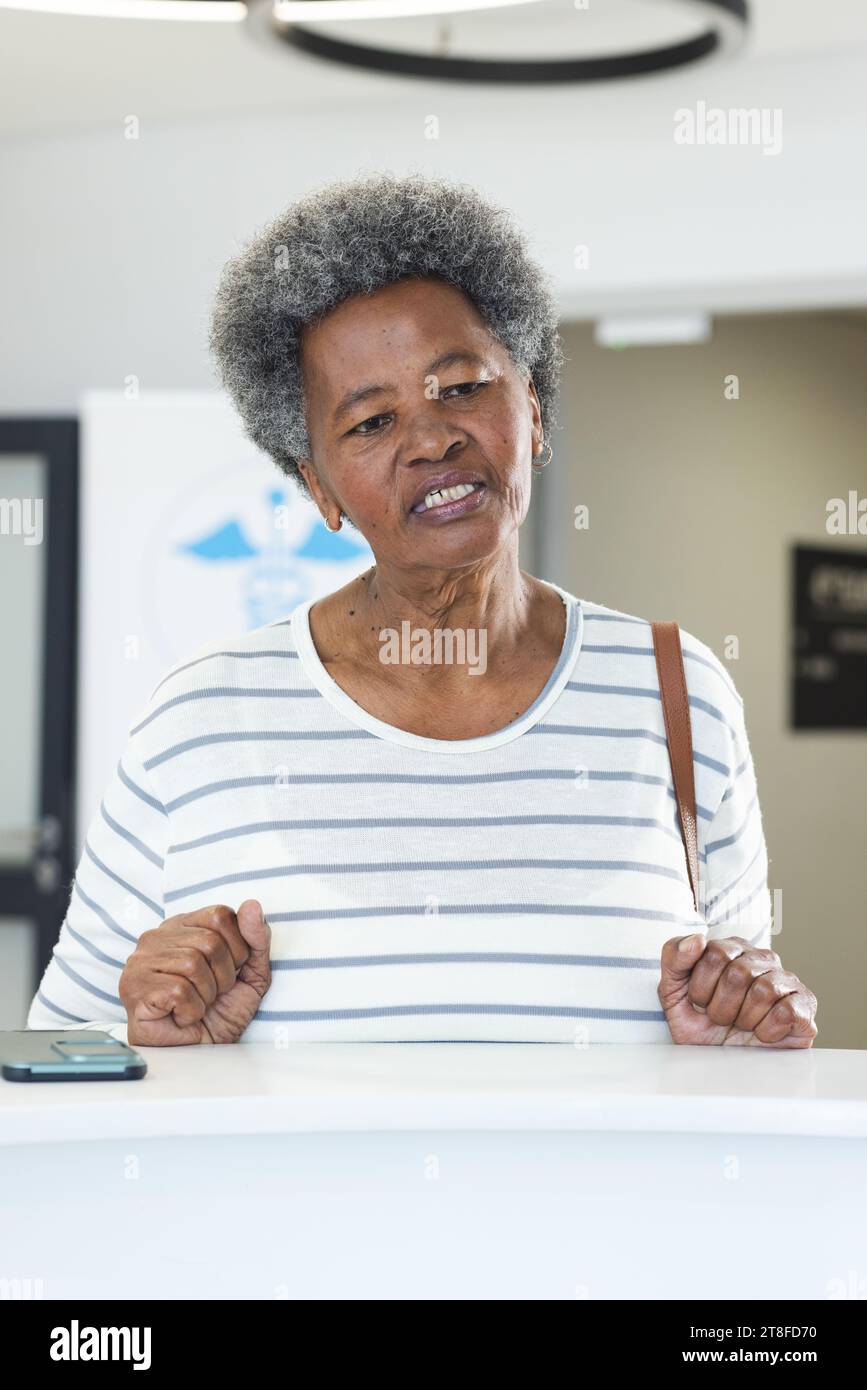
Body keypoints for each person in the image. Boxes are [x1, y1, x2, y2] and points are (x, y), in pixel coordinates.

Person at [28, 171, 817, 1048]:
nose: (432, 439)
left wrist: (747, 1028)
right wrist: (149, 1036)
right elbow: (59, 1054)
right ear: (319, 488)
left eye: (462, 387)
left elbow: (739, 1027)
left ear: (535, 409)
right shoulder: (200, 717)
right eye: (369, 422)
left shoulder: (676, 693)